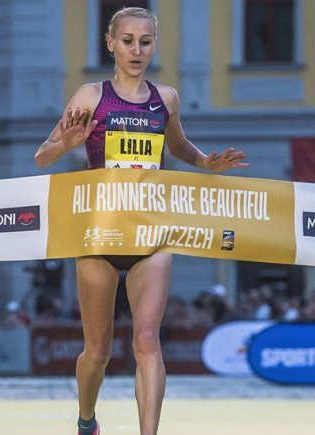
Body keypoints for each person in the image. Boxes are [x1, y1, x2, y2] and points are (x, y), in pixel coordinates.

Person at [34, 7, 248, 435]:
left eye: (145, 42)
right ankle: (86, 420)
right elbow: (42, 156)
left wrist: (206, 163)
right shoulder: (89, 96)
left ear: (154, 46)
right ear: (111, 44)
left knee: (147, 340)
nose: (136, 50)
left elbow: (178, 145)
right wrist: (67, 144)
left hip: (151, 233)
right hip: (99, 235)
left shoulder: (165, 98)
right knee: (97, 351)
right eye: (128, 41)